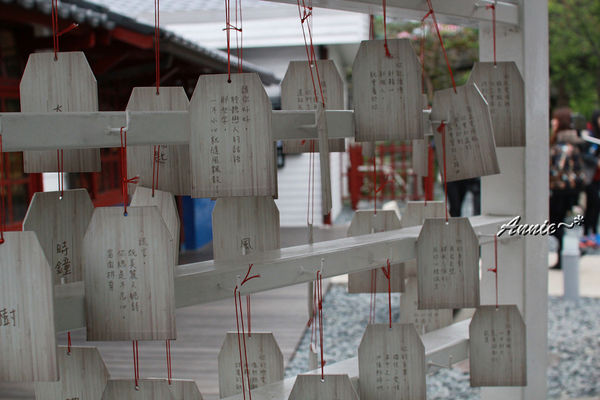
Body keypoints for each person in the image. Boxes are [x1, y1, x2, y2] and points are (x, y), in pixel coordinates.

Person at [549, 108, 587, 269]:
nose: (552, 122)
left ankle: (566, 254)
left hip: (560, 191)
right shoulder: (573, 143)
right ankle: (567, 253)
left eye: (555, 119)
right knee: (561, 224)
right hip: (570, 191)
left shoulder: (561, 146)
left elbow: (555, 170)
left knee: (555, 223)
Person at [580, 110, 600, 249]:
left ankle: (593, 232)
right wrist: (596, 161)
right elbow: (584, 155)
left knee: (597, 206)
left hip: (598, 178)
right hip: (590, 177)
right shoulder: (589, 136)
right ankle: (587, 233)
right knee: (592, 204)